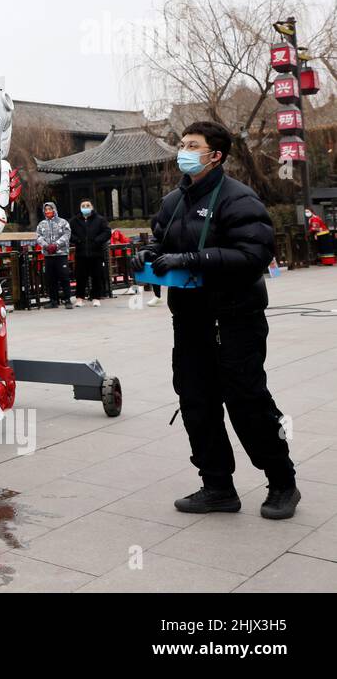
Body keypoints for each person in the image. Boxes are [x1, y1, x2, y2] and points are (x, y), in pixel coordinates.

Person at [131, 121, 298, 520]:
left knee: (248, 401)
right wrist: (148, 254)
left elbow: (254, 255)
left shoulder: (240, 200)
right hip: (190, 319)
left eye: (193, 145)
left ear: (216, 155)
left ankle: (282, 482)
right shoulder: (174, 200)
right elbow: (162, 239)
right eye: (182, 144)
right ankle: (217, 485)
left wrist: (192, 260)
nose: (183, 151)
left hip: (235, 318)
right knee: (196, 401)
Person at [69, 198, 112, 306]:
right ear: (80, 208)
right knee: (80, 276)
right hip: (81, 253)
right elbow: (68, 234)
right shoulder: (74, 221)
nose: (85, 208)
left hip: (96, 253)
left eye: (88, 205)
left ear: (92, 207)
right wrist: (77, 240)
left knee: (97, 276)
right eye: (83, 206)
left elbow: (107, 232)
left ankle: (96, 297)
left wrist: (97, 240)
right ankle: (79, 298)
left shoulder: (100, 219)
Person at [35, 201, 73, 309]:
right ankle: (53, 300)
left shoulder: (63, 222)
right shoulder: (41, 224)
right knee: (51, 278)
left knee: (64, 277)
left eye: (49, 209)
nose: (48, 211)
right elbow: (38, 236)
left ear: (54, 210)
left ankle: (67, 299)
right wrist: (46, 246)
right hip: (48, 255)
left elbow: (67, 235)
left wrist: (56, 245)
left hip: (61, 254)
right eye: (46, 209)